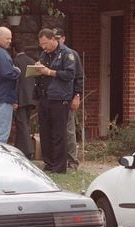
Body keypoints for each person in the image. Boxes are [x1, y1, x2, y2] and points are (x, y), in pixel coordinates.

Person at [35, 28, 76, 173]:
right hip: (45, 97)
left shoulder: (67, 54)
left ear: (54, 39)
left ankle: (59, 167)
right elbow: (42, 70)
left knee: (59, 133)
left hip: (60, 99)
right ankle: (49, 163)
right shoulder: (44, 54)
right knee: (45, 132)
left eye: (46, 43)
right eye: (41, 44)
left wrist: (50, 72)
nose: (44, 47)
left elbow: (70, 74)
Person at [53, 28, 84, 170]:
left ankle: (72, 161)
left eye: (58, 37)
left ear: (63, 38)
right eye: (54, 38)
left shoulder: (71, 54)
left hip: (68, 97)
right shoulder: (50, 54)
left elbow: (79, 77)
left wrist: (77, 95)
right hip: (54, 98)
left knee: (69, 130)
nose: (57, 40)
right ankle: (58, 159)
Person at [12, 41, 37, 159]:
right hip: (31, 98)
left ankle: (28, 151)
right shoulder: (32, 62)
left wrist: (15, 99)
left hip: (20, 98)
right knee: (24, 123)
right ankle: (19, 148)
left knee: (21, 124)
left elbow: (15, 82)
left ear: (14, 49)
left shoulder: (15, 62)